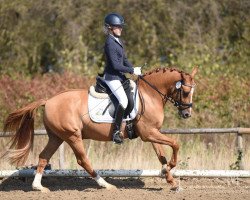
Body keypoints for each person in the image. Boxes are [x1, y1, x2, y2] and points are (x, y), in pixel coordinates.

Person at [103, 13, 141, 144]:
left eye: (121, 27)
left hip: (119, 76)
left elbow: (124, 60)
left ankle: (129, 125)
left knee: (133, 95)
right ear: (109, 28)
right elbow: (116, 65)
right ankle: (116, 132)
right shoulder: (109, 43)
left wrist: (135, 69)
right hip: (112, 77)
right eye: (117, 27)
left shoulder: (118, 41)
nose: (120, 29)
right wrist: (131, 70)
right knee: (123, 101)